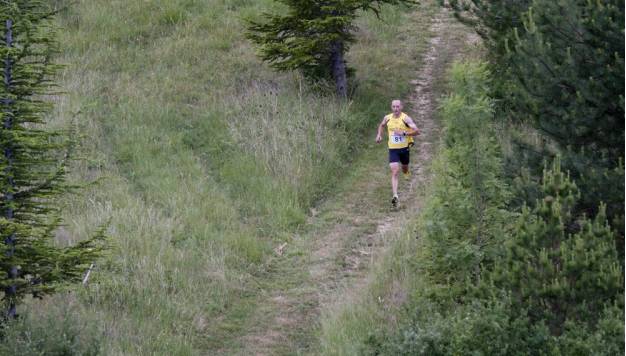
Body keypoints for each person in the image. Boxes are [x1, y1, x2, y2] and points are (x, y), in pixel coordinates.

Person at [375, 99, 420, 208]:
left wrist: (404, 133)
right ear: (391, 107)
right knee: (395, 171)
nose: (396, 109)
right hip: (393, 149)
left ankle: (406, 172)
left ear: (401, 107)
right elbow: (381, 125)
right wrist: (379, 135)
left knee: (405, 167)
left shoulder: (406, 118)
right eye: (394, 107)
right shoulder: (387, 118)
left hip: (404, 149)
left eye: (398, 106)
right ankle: (395, 196)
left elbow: (417, 131)